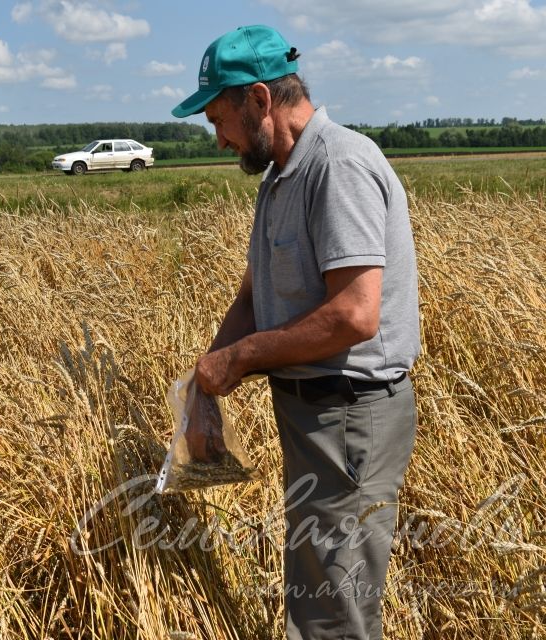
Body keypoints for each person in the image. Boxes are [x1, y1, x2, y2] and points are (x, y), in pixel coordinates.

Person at [171, 25, 420, 640]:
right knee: (319, 597)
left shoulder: (338, 167)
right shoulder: (279, 179)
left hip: (350, 418)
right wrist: (208, 380)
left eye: (217, 118)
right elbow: (255, 297)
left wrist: (240, 360)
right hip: (317, 417)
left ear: (259, 100)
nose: (218, 138)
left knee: (336, 611)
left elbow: (355, 315)